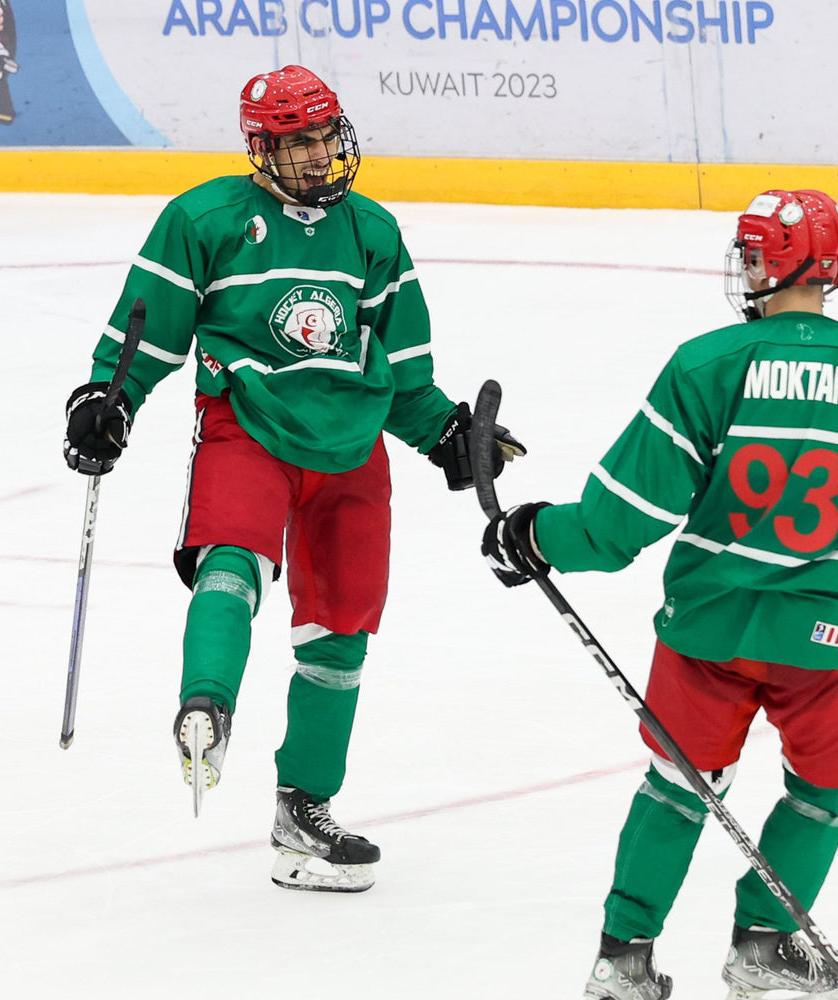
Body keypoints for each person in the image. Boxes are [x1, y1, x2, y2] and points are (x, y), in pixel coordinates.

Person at [481, 189, 838, 1000]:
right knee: (825, 792)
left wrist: (534, 534)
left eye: (753, 252)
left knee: (675, 786)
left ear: (773, 265)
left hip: (707, 630)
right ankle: (763, 949)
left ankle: (621, 957)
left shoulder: (708, 364)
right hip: (832, 640)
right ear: (833, 267)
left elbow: (616, 523)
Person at [63, 65, 524, 893]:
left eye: (323, 136)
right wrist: (109, 396)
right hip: (248, 424)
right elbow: (148, 331)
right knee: (229, 563)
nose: (317, 156)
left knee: (341, 632)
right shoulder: (203, 219)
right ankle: (206, 705)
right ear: (260, 148)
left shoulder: (374, 233)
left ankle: (303, 806)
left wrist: (447, 434)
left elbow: (406, 374)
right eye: (297, 142)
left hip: (351, 447)